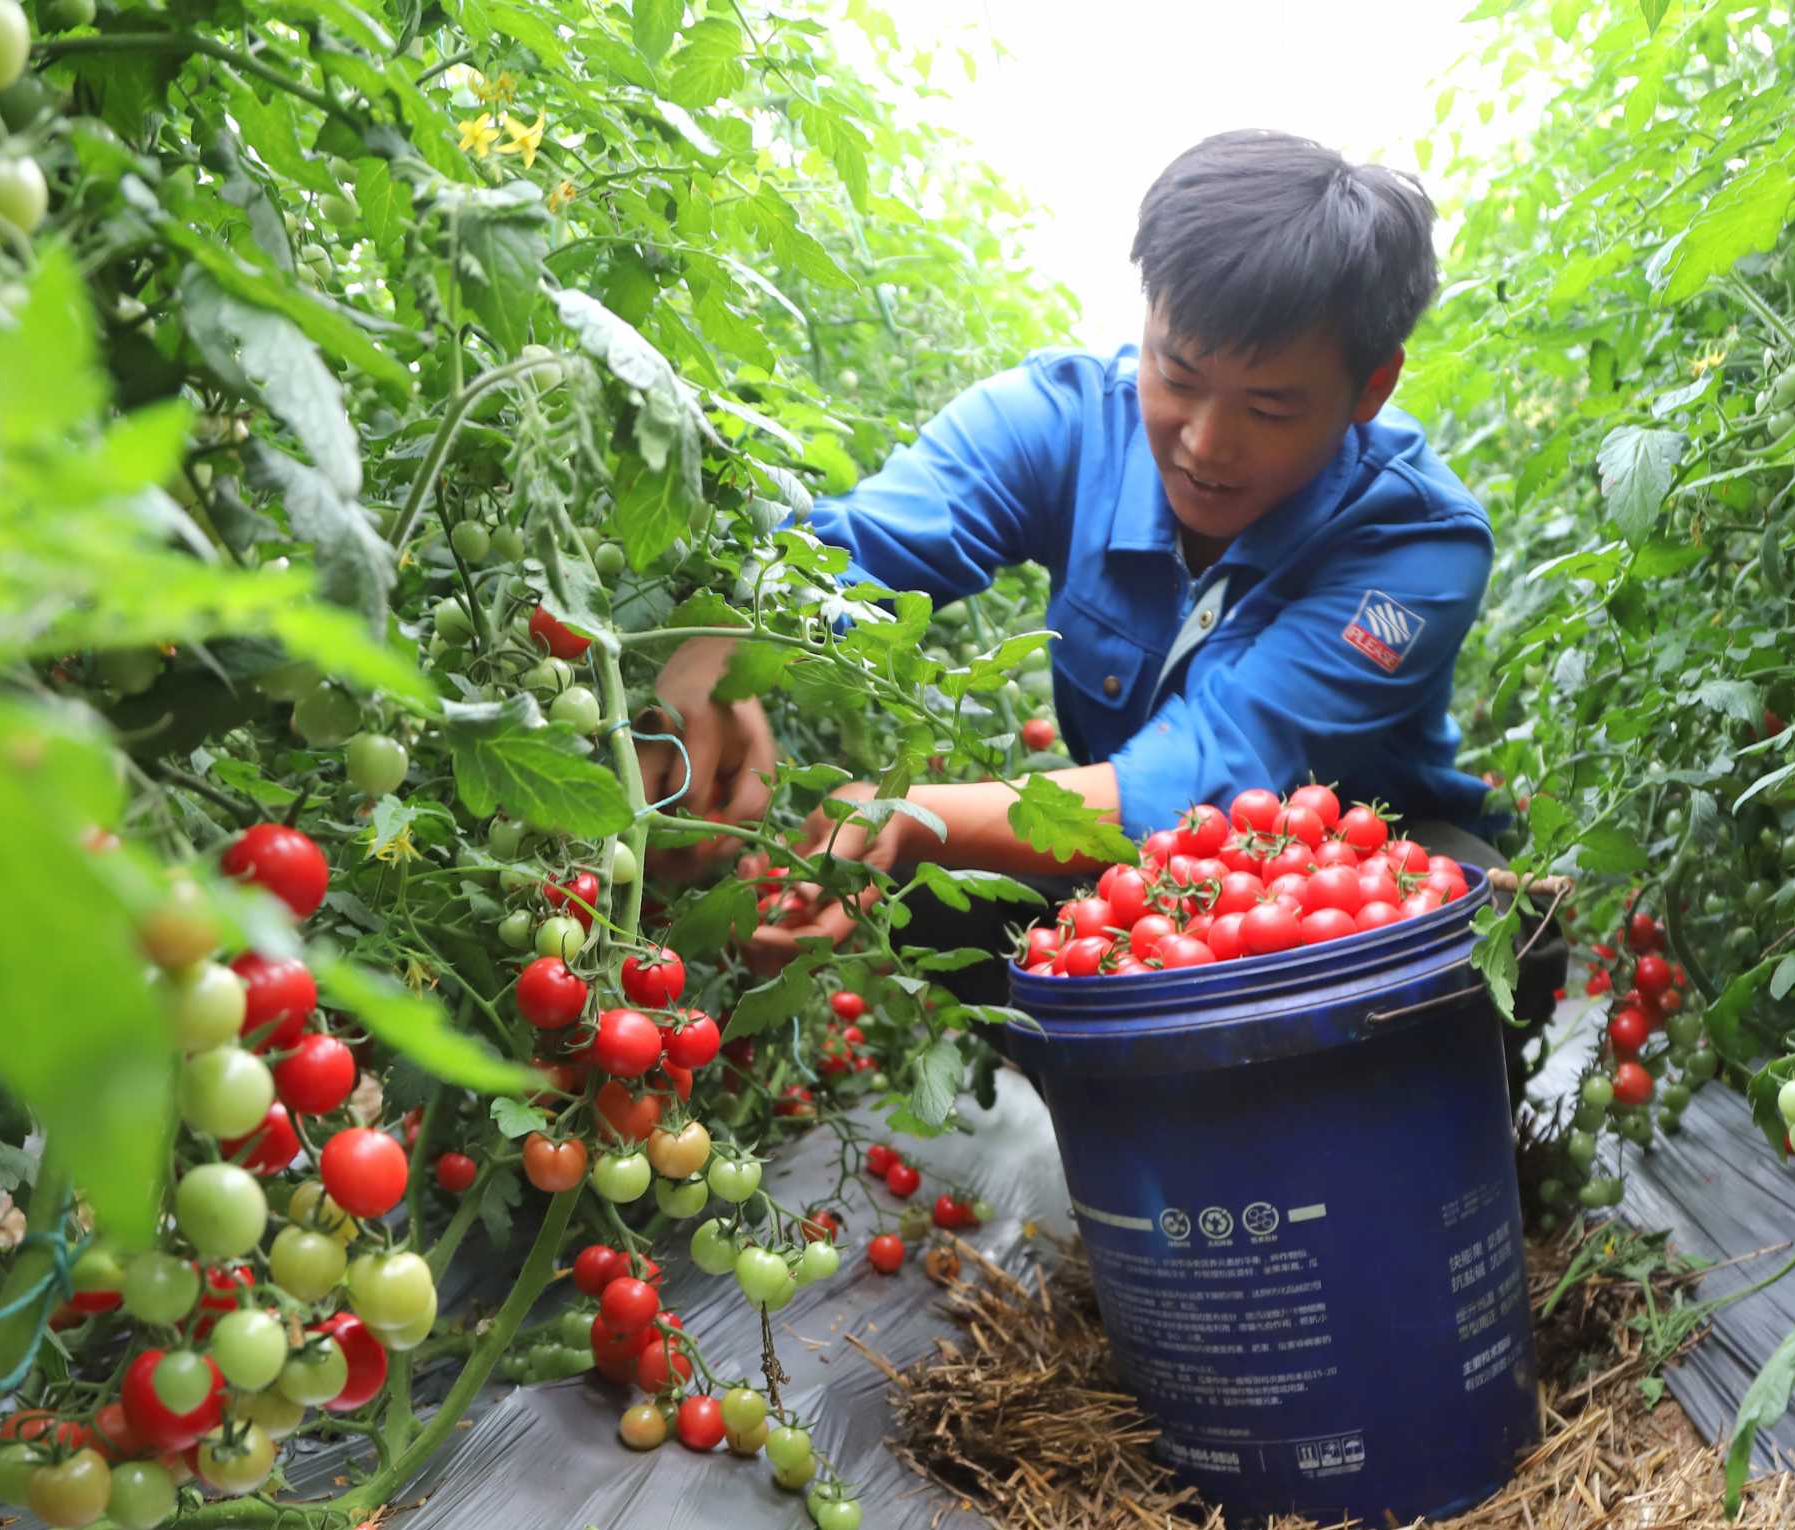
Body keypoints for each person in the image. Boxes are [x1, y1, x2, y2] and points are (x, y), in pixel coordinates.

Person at [641, 129, 1521, 993]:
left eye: (1271, 408)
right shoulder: (1063, 423)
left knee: (1453, 941)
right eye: (1176, 376)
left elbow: (1220, 773)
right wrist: (729, 641)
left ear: (1372, 387)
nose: (1207, 446)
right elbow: (860, 546)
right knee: (922, 889)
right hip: (1143, 871)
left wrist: (905, 811)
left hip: (1361, 876)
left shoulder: (1417, 539)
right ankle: (1103, 1094)